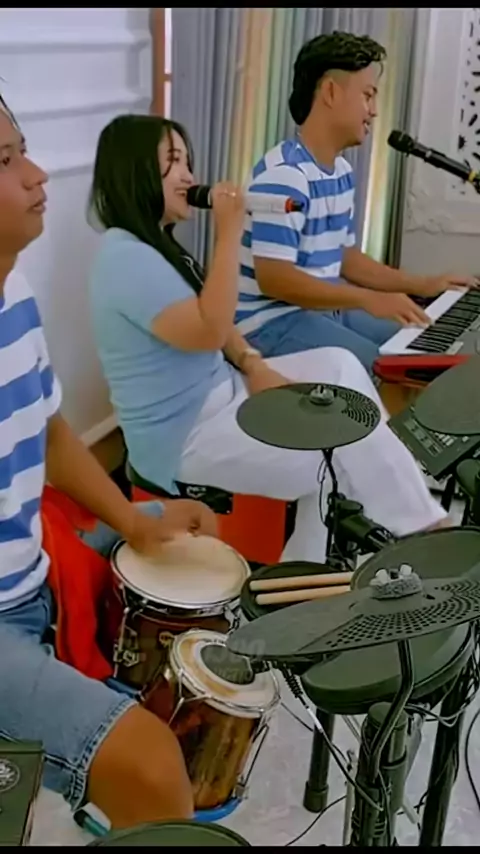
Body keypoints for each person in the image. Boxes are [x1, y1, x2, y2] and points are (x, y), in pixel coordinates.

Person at [88, 113, 448, 573]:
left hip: (224, 393)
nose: (189, 176)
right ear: (134, 171)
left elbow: (220, 329)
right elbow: (210, 328)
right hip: (184, 437)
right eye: (173, 162)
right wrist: (230, 233)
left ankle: (327, 563)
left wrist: (253, 363)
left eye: (187, 162)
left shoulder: (158, 246)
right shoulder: (126, 259)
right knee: (335, 454)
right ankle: (415, 533)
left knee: (338, 366)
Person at [0, 96, 222, 829]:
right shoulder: (125, 257)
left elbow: (52, 433)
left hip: (30, 566)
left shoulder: (13, 290)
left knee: (195, 553)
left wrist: (135, 519)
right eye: (6, 161)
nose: (38, 174)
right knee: (152, 764)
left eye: (23, 149)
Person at [235, 31, 473, 371]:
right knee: (390, 371)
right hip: (270, 322)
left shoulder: (341, 172)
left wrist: (424, 284)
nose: (373, 111)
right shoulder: (285, 176)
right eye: (368, 95)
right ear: (331, 92)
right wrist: (366, 298)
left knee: (420, 349)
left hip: (320, 310)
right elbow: (275, 279)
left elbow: (344, 258)